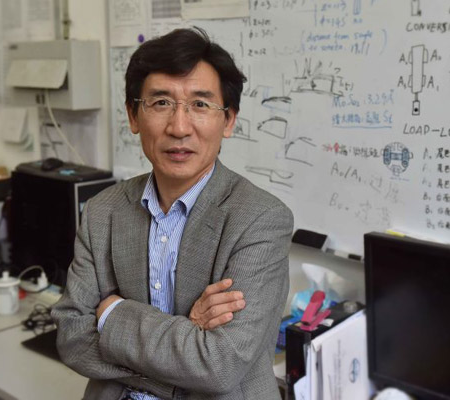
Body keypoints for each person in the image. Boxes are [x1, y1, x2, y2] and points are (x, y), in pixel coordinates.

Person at [51, 27, 293, 400]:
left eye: (200, 104)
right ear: (133, 116)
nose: (179, 127)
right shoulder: (102, 212)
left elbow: (220, 365)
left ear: (228, 120)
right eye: (161, 102)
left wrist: (112, 315)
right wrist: (187, 336)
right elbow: (71, 336)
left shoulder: (261, 220)